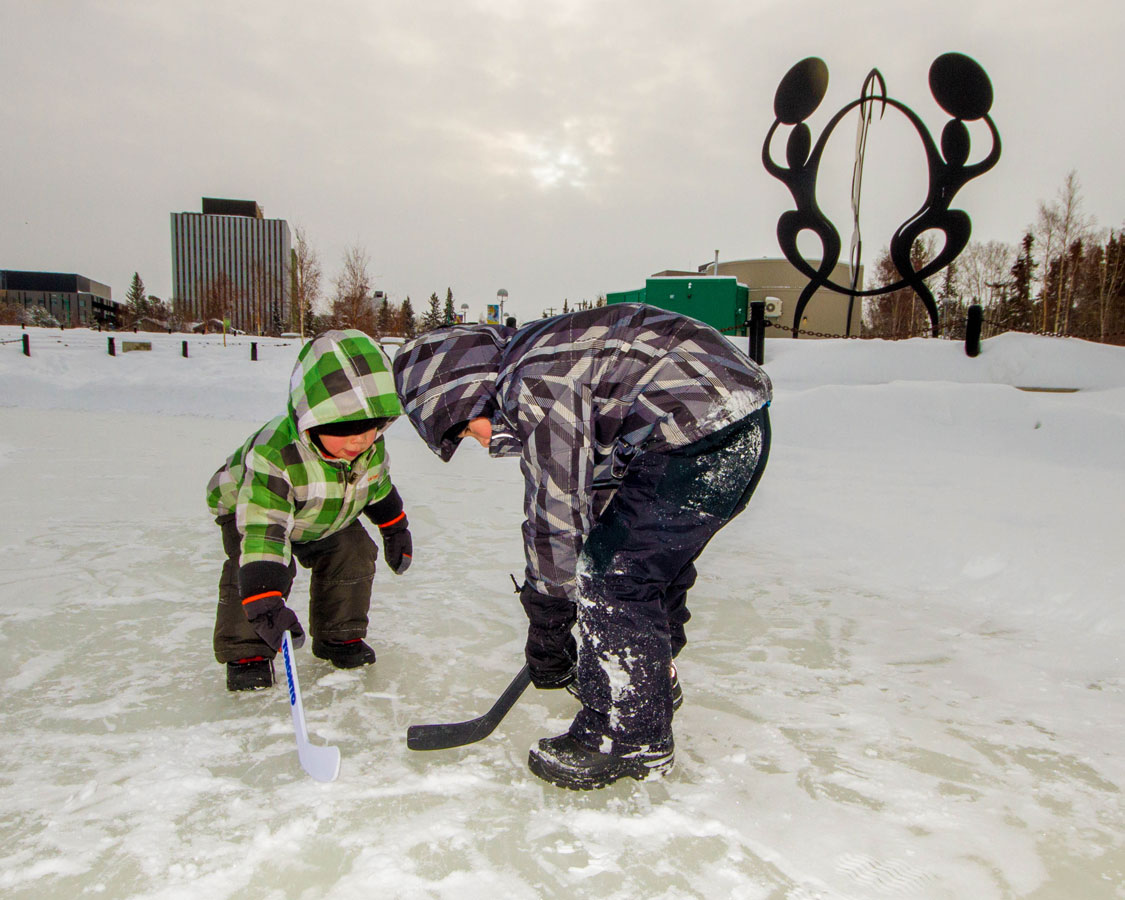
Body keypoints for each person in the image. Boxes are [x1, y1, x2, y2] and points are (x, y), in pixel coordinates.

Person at [392, 303, 771, 789]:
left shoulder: (531, 380)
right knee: (635, 561)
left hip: (698, 431)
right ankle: (651, 680)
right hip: (734, 428)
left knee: (615, 577)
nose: (480, 442)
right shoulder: (545, 354)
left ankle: (629, 735)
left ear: (468, 389)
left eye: (467, 427)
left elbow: (558, 506)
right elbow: (598, 487)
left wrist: (549, 614)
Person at [207, 329, 413, 692]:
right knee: (260, 568)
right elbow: (264, 530)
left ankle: (339, 635)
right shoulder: (276, 453)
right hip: (254, 511)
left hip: (327, 512)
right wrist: (264, 598)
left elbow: (378, 487)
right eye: (346, 428)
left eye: (372, 427)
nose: (360, 440)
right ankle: (247, 649)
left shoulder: (369, 450)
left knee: (354, 550)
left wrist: (395, 528)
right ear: (312, 420)